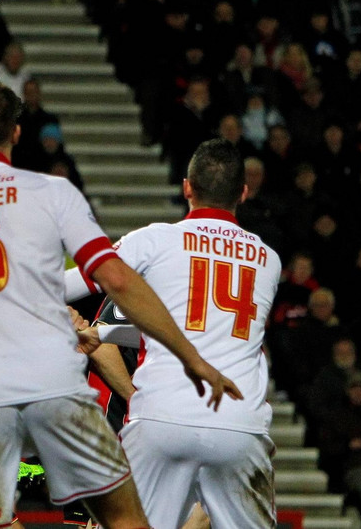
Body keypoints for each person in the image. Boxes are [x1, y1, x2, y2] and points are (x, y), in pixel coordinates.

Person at [0, 76, 235, 529]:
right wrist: (191, 355)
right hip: (54, 389)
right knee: (126, 520)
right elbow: (117, 280)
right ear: (16, 133)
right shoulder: (53, 196)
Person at [63, 138, 280, 528]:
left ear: (186, 188)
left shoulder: (153, 239)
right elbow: (213, 333)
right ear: (243, 193)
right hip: (238, 422)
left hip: (161, 417)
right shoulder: (268, 259)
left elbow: (69, 284)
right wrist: (109, 335)